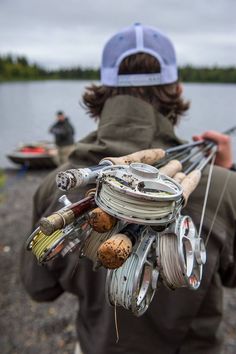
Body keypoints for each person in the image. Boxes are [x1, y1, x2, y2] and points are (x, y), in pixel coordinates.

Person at [21, 23, 236, 354]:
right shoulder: (226, 186)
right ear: (176, 90)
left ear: (101, 93)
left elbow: (40, 290)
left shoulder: (53, 184)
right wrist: (227, 178)